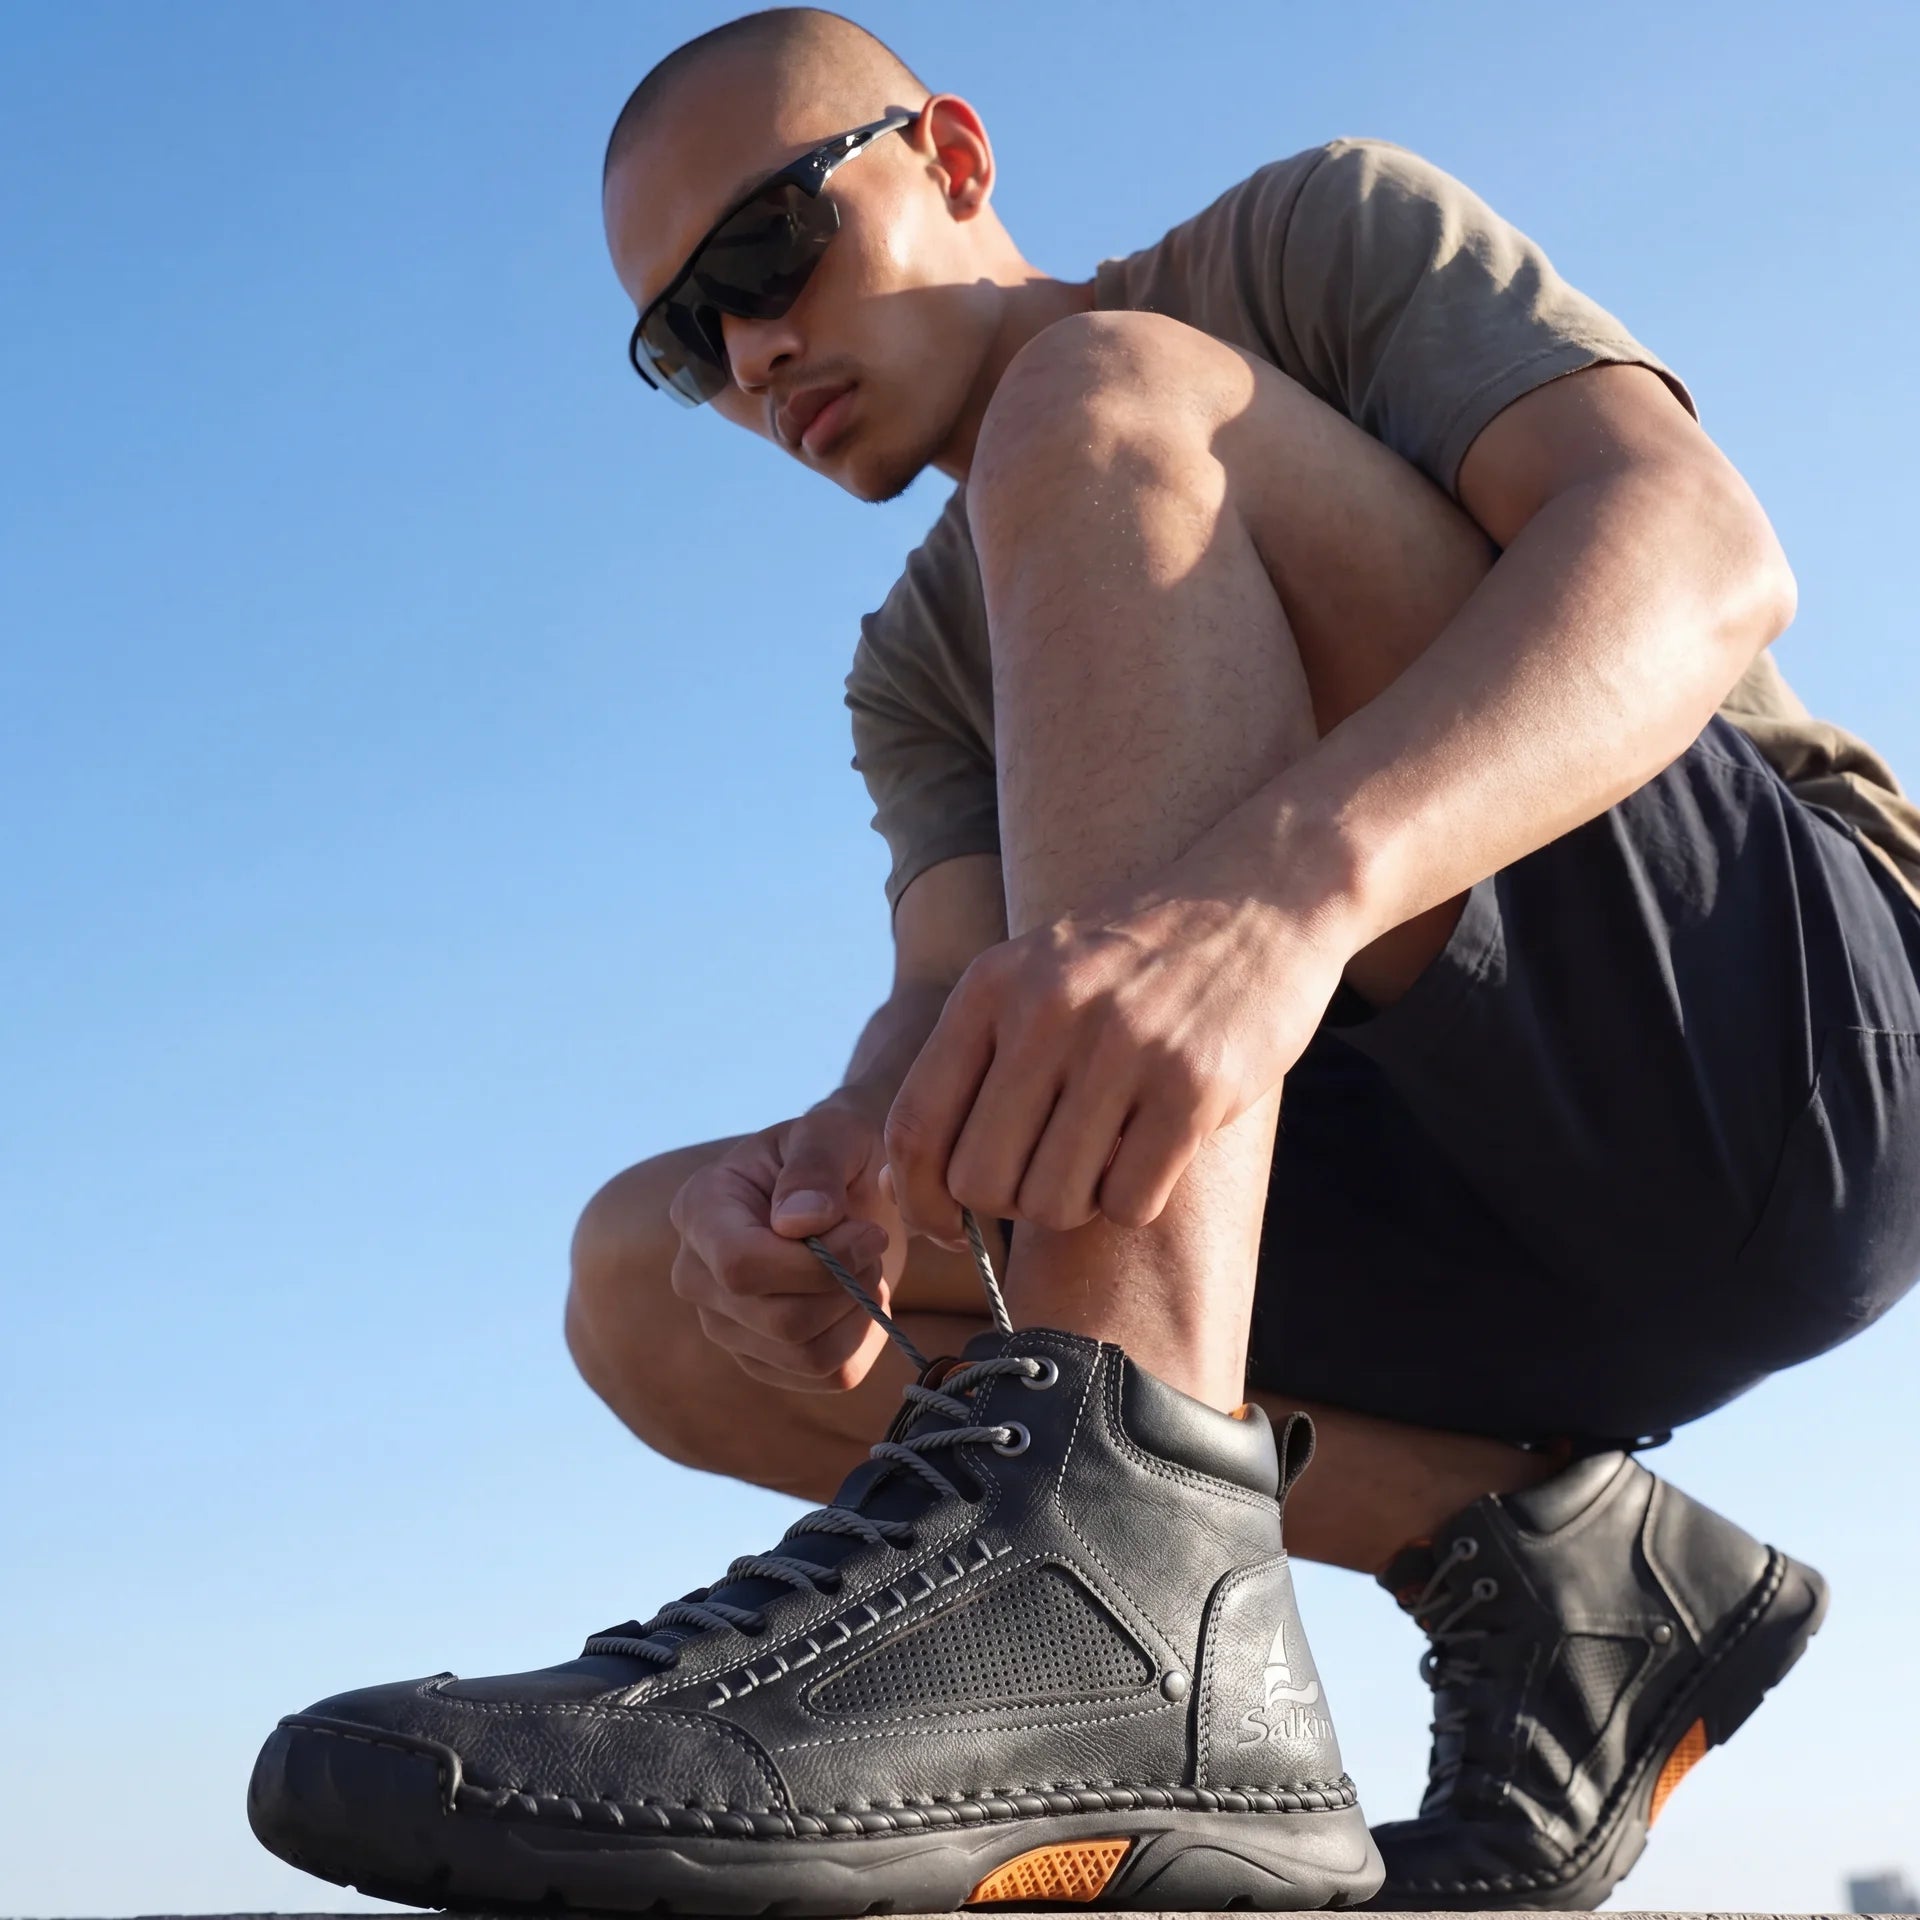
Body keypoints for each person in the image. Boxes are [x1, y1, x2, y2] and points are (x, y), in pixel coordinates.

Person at [247, 9, 1920, 1913]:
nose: (752, 354)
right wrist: (844, 1168)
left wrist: (1281, 902)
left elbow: (1697, 552)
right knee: (647, 1281)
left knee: (1100, 398)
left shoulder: (1297, 247)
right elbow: (949, 991)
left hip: (1782, 1081)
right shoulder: (915, 663)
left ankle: (1100, 1592)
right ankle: (1561, 1573)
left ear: (951, 154)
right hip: (1437, 1214)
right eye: (683, 343)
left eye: (767, 253)